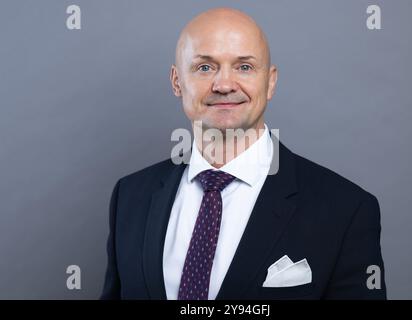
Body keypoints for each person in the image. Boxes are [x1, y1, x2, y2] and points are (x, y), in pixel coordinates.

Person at [100, 7, 386, 300]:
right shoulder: (130, 197)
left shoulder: (345, 210)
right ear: (176, 81)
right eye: (205, 67)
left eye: (244, 67)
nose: (224, 85)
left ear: (270, 82)